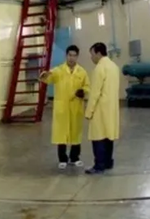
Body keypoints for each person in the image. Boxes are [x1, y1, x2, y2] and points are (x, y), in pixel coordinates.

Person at [39, 45, 90, 169]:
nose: (71, 58)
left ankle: (74, 157)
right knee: (61, 133)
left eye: (74, 55)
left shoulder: (82, 72)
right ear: (66, 56)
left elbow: (87, 87)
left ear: (77, 56)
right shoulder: (58, 70)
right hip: (62, 107)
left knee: (75, 133)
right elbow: (47, 79)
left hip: (76, 107)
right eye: (69, 55)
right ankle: (62, 158)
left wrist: (83, 91)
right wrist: (45, 74)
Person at [84, 42, 120, 174]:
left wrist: (89, 111)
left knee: (98, 137)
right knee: (108, 136)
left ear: (98, 54)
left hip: (100, 108)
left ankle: (99, 165)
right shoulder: (114, 66)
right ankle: (108, 162)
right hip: (111, 108)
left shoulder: (100, 68)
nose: (91, 57)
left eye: (92, 54)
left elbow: (95, 93)